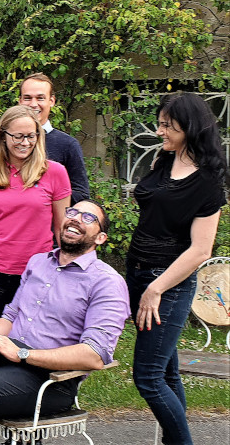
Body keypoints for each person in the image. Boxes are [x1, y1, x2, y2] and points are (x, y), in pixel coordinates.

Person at [0, 200, 130, 445]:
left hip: (52, 380)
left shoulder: (107, 282)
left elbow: (94, 355)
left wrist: (23, 354)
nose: (76, 218)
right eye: (72, 212)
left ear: (101, 238)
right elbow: (10, 316)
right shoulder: (39, 263)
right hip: (10, 359)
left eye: (88, 217)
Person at [126, 92, 226, 445]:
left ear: (189, 126)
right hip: (138, 273)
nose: (159, 131)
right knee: (167, 373)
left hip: (166, 283)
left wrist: (156, 289)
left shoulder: (208, 181)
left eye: (167, 126)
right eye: (160, 123)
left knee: (148, 377)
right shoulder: (163, 162)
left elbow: (200, 250)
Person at [0, 105, 71, 329]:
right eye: (18, 136)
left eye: (31, 136)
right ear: (3, 137)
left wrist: (70, 275)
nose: (25, 142)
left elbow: (63, 230)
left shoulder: (55, 172)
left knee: (32, 344)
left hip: (37, 275)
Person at [19, 73, 90, 203]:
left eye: (40, 98)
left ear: (51, 101)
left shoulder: (67, 145)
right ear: (20, 101)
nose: (33, 104)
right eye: (27, 98)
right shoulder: (8, 141)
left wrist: (45, 196)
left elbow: (81, 194)